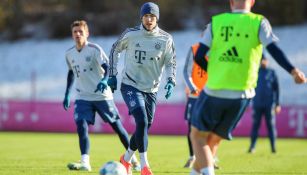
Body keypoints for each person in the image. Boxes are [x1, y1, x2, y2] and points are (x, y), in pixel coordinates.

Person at [189, 0, 307, 175]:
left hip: (215, 90)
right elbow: (274, 50)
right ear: (252, 2)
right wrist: (293, 70)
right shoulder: (259, 22)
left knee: (198, 137)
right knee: (213, 141)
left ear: (231, 3)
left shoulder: (217, 21)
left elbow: (199, 56)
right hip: (242, 95)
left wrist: (213, 71)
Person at [108, 2, 176, 175]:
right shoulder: (131, 34)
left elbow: (171, 61)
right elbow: (115, 49)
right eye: (146, 16)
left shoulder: (165, 39)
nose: (149, 19)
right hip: (130, 85)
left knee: (144, 126)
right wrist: (112, 74)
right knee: (142, 121)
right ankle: (145, 166)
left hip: (151, 89)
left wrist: (170, 80)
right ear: (141, 17)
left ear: (157, 18)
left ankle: (126, 159)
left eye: (152, 16)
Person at [63, 20, 140, 172]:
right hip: (82, 96)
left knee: (117, 127)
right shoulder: (69, 53)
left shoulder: (94, 49)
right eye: (75, 32)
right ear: (72, 35)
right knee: (80, 124)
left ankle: (133, 160)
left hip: (102, 96)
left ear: (87, 33)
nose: (78, 34)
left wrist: (105, 81)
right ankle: (85, 161)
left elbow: (107, 67)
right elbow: (71, 72)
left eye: (80, 31)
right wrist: (66, 94)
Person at [248, 55, 281, 153]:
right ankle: (252, 147)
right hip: (257, 104)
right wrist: (247, 102)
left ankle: (273, 148)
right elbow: (250, 87)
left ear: (267, 61)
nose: (263, 62)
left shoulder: (272, 72)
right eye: (261, 60)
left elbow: (277, 89)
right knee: (255, 125)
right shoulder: (255, 72)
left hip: (269, 104)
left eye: (264, 60)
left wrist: (277, 104)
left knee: (270, 126)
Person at [183, 43, 208, 168]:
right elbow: (186, 71)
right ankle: (192, 157)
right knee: (191, 128)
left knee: (210, 129)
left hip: (210, 96)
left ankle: (211, 157)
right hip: (195, 95)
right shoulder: (194, 48)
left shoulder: (220, 48)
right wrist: (192, 87)